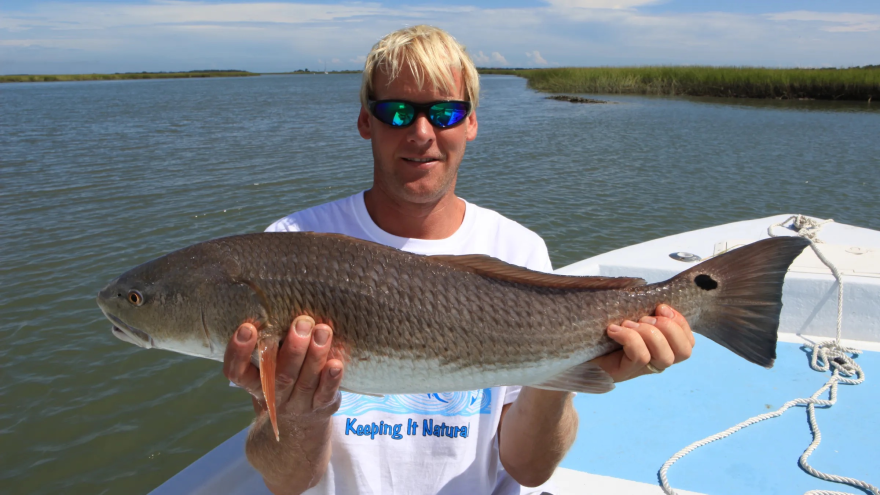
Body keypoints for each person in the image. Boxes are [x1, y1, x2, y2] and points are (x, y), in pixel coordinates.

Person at [223, 25, 695, 495]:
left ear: (470, 123)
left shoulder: (519, 249)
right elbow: (288, 481)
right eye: (397, 112)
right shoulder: (289, 246)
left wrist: (563, 363)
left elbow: (528, 469)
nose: (421, 132)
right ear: (366, 121)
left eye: (445, 113)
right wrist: (299, 412)